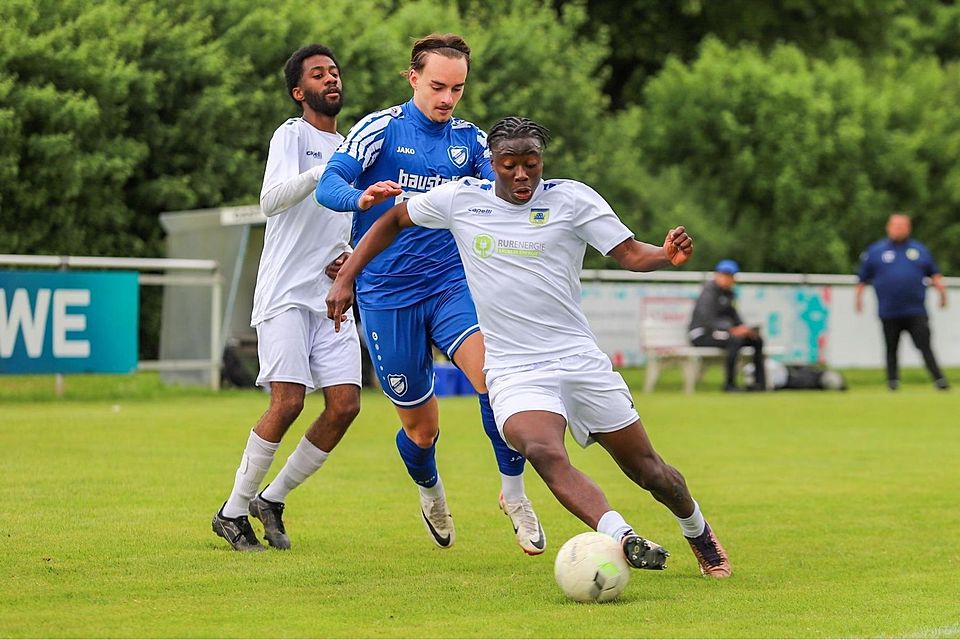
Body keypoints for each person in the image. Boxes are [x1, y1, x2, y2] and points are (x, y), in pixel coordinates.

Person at [326, 116, 732, 578]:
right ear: (492, 163)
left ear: (542, 161)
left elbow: (631, 253)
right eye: (509, 165)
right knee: (541, 449)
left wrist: (664, 255)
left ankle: (698, 531)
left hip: (578, 359)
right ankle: (622, 536)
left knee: (649, 471)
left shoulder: (572, 199)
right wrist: (346, 277)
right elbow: (394, 218)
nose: (521, 175)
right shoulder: (463, 199)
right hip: (514, 369)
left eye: (531, 164)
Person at [314, 34, 544, 554]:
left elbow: (506, 192)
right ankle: (431, 492)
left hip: (450, 284)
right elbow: (329, 185)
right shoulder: (380, 129)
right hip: (386, 293)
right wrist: (361, 197)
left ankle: (514, 495)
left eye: (457, 89)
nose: (447, 98)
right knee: (421, 431)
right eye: (438, 86)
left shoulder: (471, 141)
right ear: (413, 77)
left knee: (495, 381)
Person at [212, 44, 377, 551]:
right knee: (287, 402)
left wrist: (349, 258)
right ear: (298, 92)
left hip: (330, 297)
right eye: (318, 74)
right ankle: (232, 512)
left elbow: (348, 222)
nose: (331, 79)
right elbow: (270, 201)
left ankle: (273, 498)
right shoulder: (292, 134)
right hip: (285, 292)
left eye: (334, 72)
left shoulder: (351, 147)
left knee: (345, 405)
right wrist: (320, 173)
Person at [855, 213, 949, 391]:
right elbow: (862, 279)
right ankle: (892, 381)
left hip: (916, 310)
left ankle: (939, 380)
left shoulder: (919, 250)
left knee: (925, 346)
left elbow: (934, 274)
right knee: (891, 347)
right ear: (888, 227)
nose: (899, 229)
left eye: (902, 225)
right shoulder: (876, 251)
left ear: (909, 228)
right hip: (889, 310)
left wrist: (942, 294)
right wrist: (858, 300)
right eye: (895, 225)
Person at [688, 259, 767, 392]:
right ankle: (729, 384)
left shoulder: (729, 294)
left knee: (757, 340)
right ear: (717, 275)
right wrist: (731, 329)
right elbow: (707, 320)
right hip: (702, 334)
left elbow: (734, 316)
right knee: (734, 340)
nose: (727, 279)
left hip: (722, 333)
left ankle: (759, 384)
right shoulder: (708, 292)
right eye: (724, 275)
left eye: (730, 276)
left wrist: (744, 329)